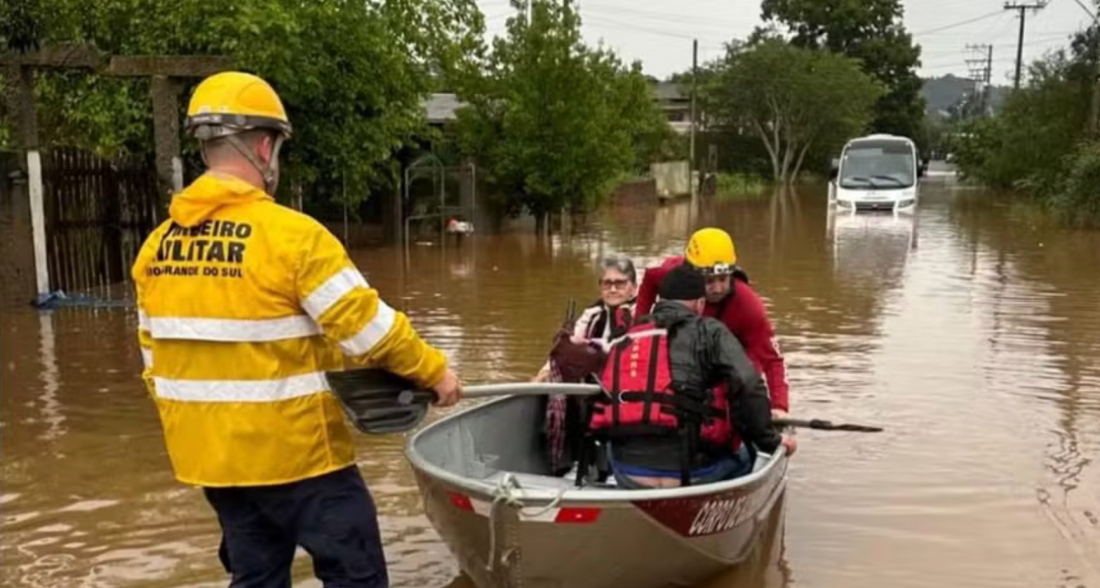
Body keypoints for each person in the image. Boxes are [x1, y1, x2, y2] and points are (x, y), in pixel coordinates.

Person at [131, 71, 462, 588]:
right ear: (265, 146)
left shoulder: (156, 248)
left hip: (215, 462)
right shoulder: (293, 238)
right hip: (300, 458)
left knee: (256, 577)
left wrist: (208, 427)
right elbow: (370, 331)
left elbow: (154, 361)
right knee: (357, 575)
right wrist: (436, 373)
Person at [589, 264, 796, 489]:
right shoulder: (712, 331)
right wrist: (772, 441)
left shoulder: (626, 338)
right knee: (752, 450)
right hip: (692, 475)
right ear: (700, 303)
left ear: (660, 302)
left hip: (630, 474)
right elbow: (749, 385)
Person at [634, 227, 790, 420]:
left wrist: (779, 406)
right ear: (690, 275)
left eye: (723, 279)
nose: (717, 289)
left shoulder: (748, 304)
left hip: (732, 364)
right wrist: (639, 326)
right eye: (709, 281)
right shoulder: (669, 275)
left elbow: (773, 359)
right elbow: (649, 279)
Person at [532, 257, 638, 476]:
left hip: (627, 385)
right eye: (607, 283)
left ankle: (616, 466)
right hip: (590, 386)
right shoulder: (592, 314)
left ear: (633, 288)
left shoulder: (642, 314)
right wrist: (544, 372)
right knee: (562, 388)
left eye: (620, 283)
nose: (613, 289)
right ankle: (571, 461)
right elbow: (567, 348)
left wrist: (593, 348)